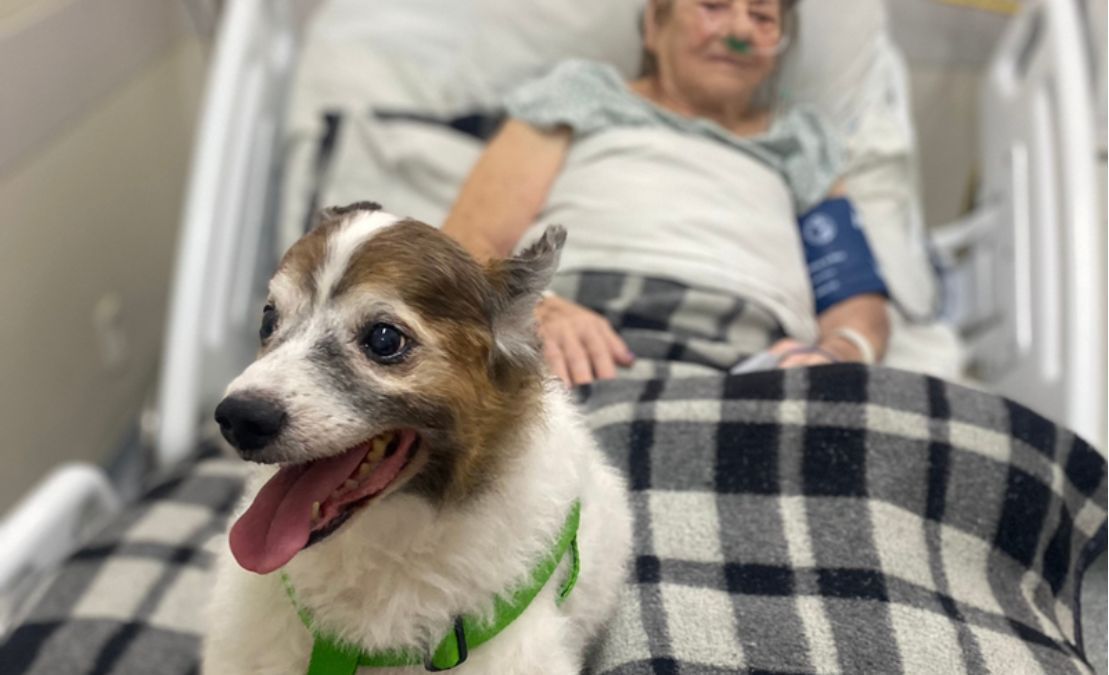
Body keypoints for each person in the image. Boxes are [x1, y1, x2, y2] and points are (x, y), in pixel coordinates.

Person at [443, 0, 890, 387]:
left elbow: (855, 305)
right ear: (656, 26)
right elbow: (466, 244)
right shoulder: (580, 94)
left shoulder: (803, 141)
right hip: (578, 337)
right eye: (713, 7)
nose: (740, 31)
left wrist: (837, 356)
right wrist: (535, 309)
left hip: (754, 360)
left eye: (762, 17)